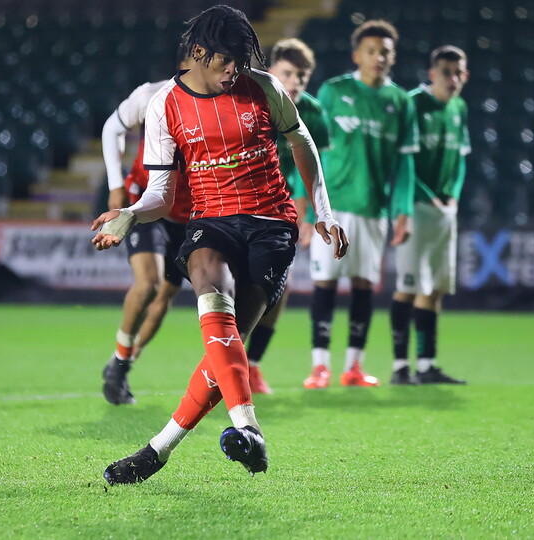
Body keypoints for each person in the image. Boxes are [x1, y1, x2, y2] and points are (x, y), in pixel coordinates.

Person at [90, 5, 348, 484]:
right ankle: (249, 431)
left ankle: (157, 450)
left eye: (242, 59)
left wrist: (324, 211)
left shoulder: (263, 86)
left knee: (224, 348)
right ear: (199, 53)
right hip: (210, 222)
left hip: (271, 223)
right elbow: (162, 194)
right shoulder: (164, 104)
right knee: (212, 294)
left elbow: (302, 142)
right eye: (227, 59)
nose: (235, 68)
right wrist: (129, 212)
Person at [303, 19, 418, 389]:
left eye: (385, 51)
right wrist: (309, 211)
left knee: (364, 285)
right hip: (333, 206)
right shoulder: (333, 92)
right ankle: (319, 366)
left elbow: (405, 164)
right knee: (324, 283)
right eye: (371, 51)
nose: (378, 57)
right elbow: (311, 151)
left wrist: (404, 210)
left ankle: (354, 366)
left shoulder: (400, 101)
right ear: (357, 55)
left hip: (373, 209)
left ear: (392, 56)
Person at [99, 51, 196, 405]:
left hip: (190, 216)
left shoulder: (223, 104)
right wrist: (115, 188)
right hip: (145, 205)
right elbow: (113, 127)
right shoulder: (153, 95)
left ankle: (122, 363)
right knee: (148, 284)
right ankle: (121, 361)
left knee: (164, 298)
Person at [243, 38, 331, 393]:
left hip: (279, 212)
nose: (294, 83)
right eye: (288, 74)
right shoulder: (250, 101)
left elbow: (311, 169)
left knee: (280, 288)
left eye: (302, 77)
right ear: (271, 71)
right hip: (241, 204)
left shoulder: (312, 113)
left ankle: (251, 365)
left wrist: (309, 215)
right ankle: (227, 363)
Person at [389, 45, 471, 385]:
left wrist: (453, 195)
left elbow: (461, 158)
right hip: (417, 208)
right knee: (408, 285)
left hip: (444, 210)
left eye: (458, 73)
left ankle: (426, 365)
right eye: (446, 72)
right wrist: (423, 199)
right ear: (433, 74)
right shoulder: (412, 103)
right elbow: (403, 161)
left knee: (434, 287)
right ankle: (399, 367)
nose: (453, 79)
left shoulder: (459, 107)